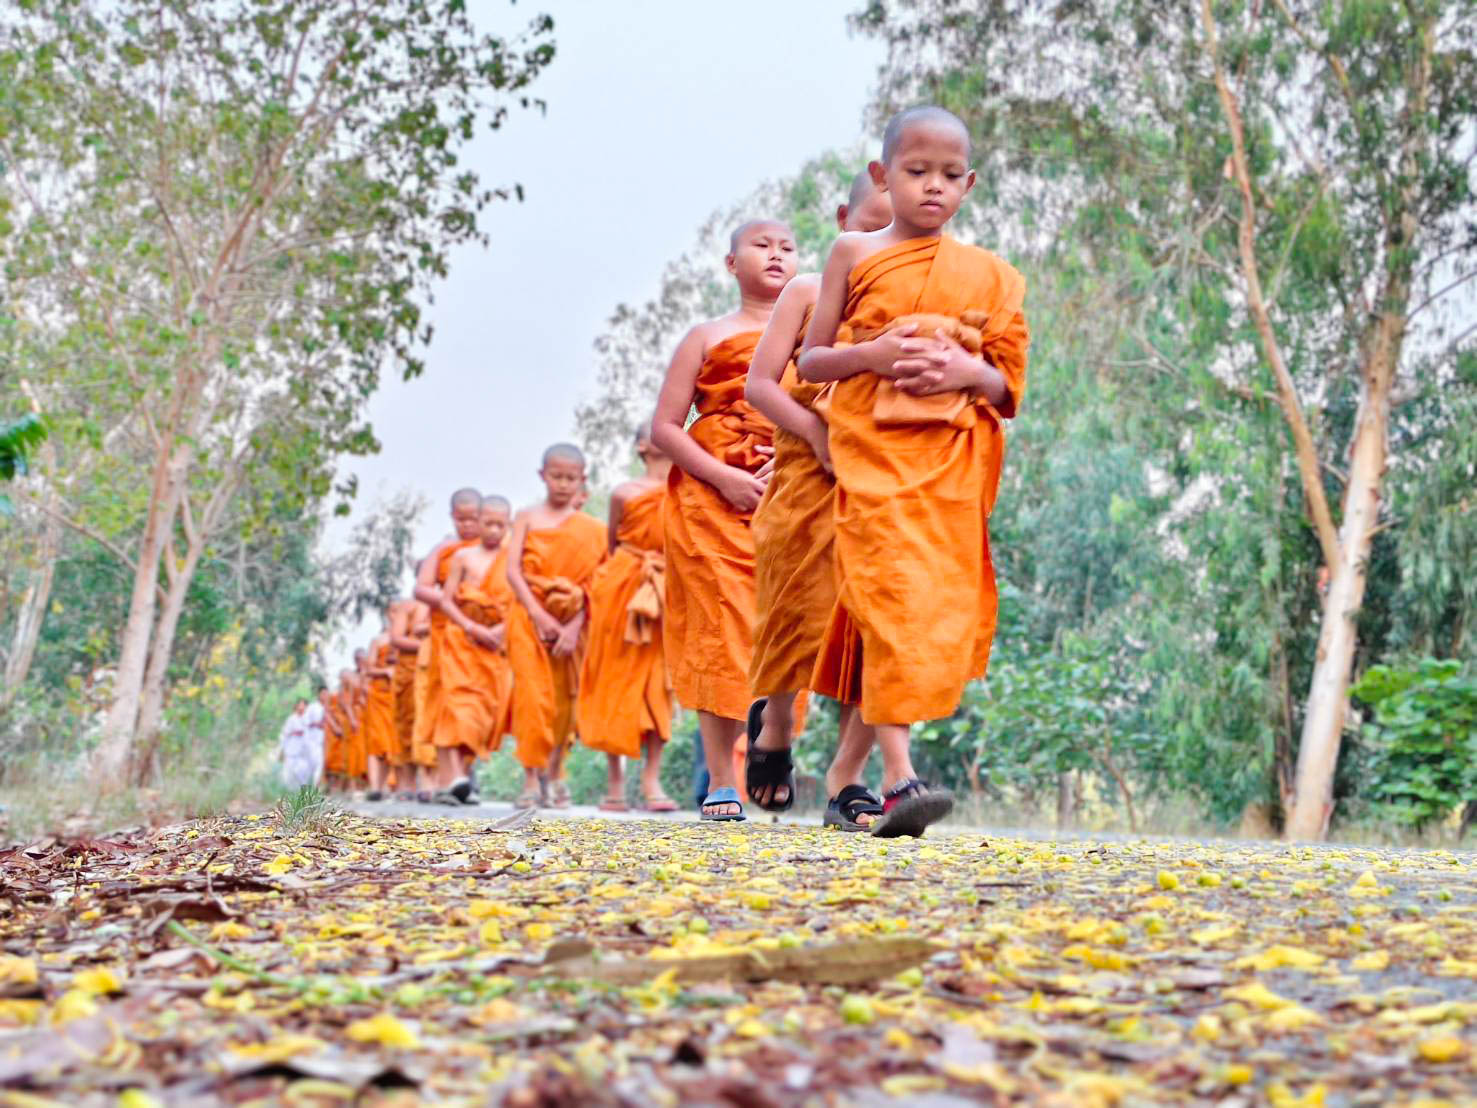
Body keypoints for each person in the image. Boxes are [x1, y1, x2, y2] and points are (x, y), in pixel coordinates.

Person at [798, 106, 1030, 837]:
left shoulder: (991, 277)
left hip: (948, 467)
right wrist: (869, 356)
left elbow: (1008, 385)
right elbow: (810, 361)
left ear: (969, 185)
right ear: (882, 175)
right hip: (871, 455)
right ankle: (900, 779)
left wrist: (968, 369)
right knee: (891, 601)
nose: (932, 187)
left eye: (949, 176)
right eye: (915, 171)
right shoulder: (851, 253)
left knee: (909, 616)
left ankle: (843, 778)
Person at [744, 171, 894, 831]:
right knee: (794, 617)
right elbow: (760, 384)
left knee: (877, 629)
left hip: (885, 482)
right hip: (807, 478)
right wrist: (815, 432)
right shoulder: (806, 292)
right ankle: (775, 725)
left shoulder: (914, 299)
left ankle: (849, 778)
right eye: (871, 231)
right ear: (841, 220)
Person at [650, 219, 798, 821]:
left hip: (790, 497)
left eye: (787, 247)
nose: (775, 254)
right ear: (731, 263)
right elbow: (665, 426)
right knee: (717, 635)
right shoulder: (707, 336)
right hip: (711, 502)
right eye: (761, 245)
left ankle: (773, 744)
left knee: (785, 632)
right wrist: (726, 478)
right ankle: (721, 779)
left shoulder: (814, 336)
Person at [576, 427, 678, 812]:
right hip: (622, 587)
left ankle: (652, 779)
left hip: (668, 588)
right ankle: (615, 783)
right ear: (640, 444)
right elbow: (613, 544)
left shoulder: (688, 484)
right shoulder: (623, 492)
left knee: (660, 682)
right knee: (613, 679)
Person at [505, 445, 606, 808]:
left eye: (570, 478)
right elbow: (513, 571)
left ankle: (556, 771)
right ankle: (531, 779)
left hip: (572, 626)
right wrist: (538, 614)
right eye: (556, 476)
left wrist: (574, 627)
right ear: (542, 476)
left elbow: (597, 585)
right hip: (528, 618)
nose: (563, 484)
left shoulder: (594, 529)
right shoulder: (526, 517)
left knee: (565, 703)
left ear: (582, 480)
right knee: (532, 696)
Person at [435, 496, 516, 805]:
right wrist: (472, 628)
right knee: (459, 705)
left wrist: (500, 630)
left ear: (508, 524)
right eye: (488, 523)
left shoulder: (512, 558)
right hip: (462, 640)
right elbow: (446, 601)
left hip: (495, 646)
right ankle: (455, 777)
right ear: (479, 522)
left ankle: (461, 779)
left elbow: (518, 600)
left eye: (500, 524)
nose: (494, 530)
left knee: (484, 714)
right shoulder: (463, 557)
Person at [411, 489, 484, 800]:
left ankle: (458, 778)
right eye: (461, 518)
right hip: (447, 636)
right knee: (447, 704)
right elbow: (421, 588)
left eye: (473, 518)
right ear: (453, 516)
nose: (467, 525)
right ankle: (451, 778)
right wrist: (452, 600)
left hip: (482, 638)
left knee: (477, 709)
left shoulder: (491, 551)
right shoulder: (443, 550)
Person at [388, 598, 425, 799]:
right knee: (407, 725)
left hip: (438, 668)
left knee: (436, 724)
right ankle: (407, 783)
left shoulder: (452, 602)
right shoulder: (408, 607)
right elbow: (397, 639)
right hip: (409, 672)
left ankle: (435, 783)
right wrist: (426, 645)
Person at [362, 627, 397, 801]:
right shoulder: (379, 641)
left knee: (390, 743)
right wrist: (385, 671)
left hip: (396, 696)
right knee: (377, 741)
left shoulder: (406, 639)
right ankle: (375, 787)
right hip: (378, 696)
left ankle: (383, 787)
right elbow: (368, 670)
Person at [275, 698, 316, 790]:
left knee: (304, 771)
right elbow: (284, 734)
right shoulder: (291, 719)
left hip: (303, 751)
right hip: (291, 750)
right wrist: (294, 733)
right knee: (288, 773)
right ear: (296, 706)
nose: (302, 707)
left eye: (304, 705)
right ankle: (287, 792)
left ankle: (302, 792)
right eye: (300, 705)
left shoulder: (307, 719)